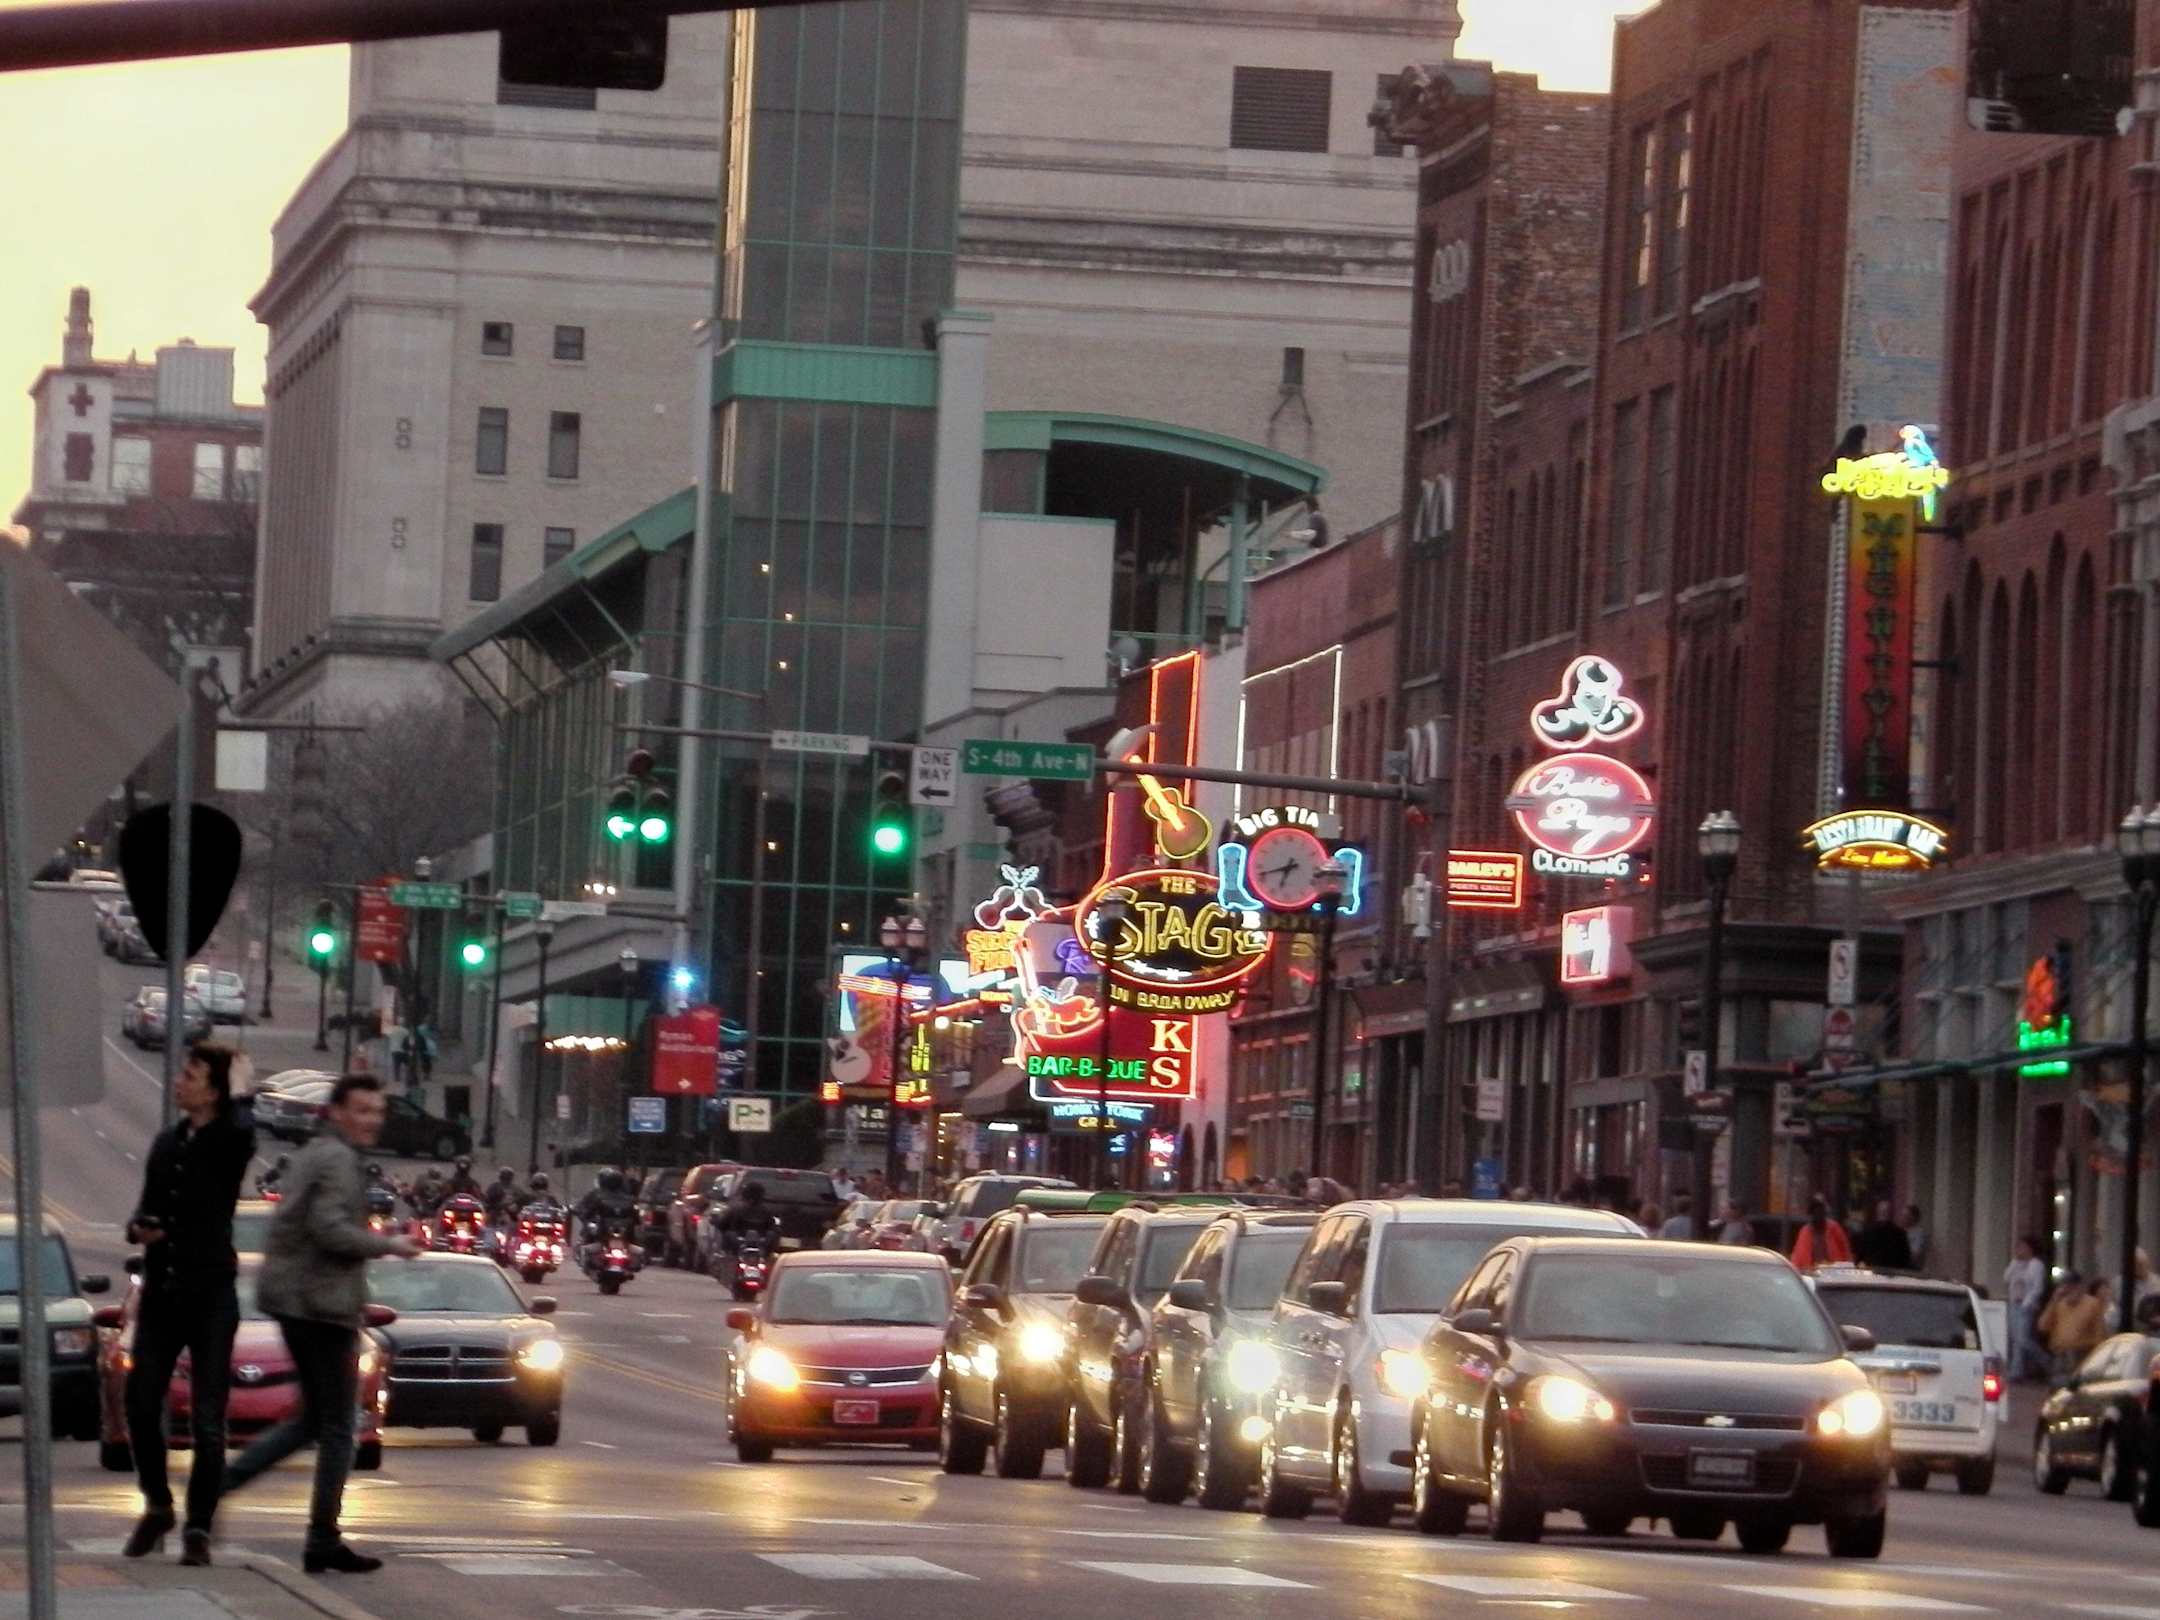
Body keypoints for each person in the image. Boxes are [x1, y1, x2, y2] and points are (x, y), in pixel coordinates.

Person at [218, 1075, 420, 1573]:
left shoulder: (316, 1153)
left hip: (299, 1301)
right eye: (362, 1110)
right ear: (336, 1112)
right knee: (338, 1427)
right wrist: (389, 1245)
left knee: (312, 1420)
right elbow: (329, 1230)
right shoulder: (336, 1159)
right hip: (321, 1306)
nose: (372, 1120)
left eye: (377, 1111)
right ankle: (322, 1538)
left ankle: (220, 1489)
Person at [122, 1041, 256, 1566]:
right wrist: (140, 1228)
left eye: (191, 1075)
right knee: (140, 1401)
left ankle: (199, 1525)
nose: (179, 1081)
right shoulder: (167, 1142)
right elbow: (146, 1207)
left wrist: (240, 1087)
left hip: (211, 1296)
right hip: (163, 1292)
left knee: (207, 1418)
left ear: (214, 1091)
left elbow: (243, 1130)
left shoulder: (230, 1139)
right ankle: (158, 1504)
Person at [2040, 1275, 2109, 1378]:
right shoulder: (2059, 1304)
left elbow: (2099, 1332)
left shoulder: (2092, 1304)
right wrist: (2053, 1301)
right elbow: (2043, 1326)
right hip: (2061, 1354)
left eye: (2074, 1287)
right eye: (2068, 1288)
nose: (2071, 1291)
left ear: (2081, 1288)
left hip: (2081, 1353)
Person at [2003, 1236, 2048, 1381]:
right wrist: (2015, 1263)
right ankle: (2017, 1371)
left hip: (2026, 1305)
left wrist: (2027, 1303)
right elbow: (2006, 1278)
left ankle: (2045, 1360)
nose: (2019, 1250)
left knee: (2023, 1338)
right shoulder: (2016, 1263)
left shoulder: (2036, 1265)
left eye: (2022, 1247)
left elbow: (2037, 1287)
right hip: (2014, 1303)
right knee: (2015, 1339)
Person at [1790, 1195, 1854, 1271]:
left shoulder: (1834, 1228)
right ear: (1811, 1213)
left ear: (1825, 1212)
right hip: (1812, 1272)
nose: (1818, 1213)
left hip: (1834, 1272)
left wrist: (1849, 1268)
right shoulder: (1805, 1232)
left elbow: (1846, 1251)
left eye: (1821, 1210)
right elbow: (1797, 1256)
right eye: (1815, 1210)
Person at [1853, 1199, 1914, 1270]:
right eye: (1883, 1211)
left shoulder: (1900, 1234)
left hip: (1881, 1272)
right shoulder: (1900, 1234)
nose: (1884, 1214)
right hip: (1880, 1272)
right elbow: (1905, 1260)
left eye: (1885, 1211)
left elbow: (1905, 1259)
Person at [1901, 1203, 1929, 1271]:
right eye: (1902, 1215)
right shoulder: (1901, 1232)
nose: (1902, 1218)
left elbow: (1915, 1255)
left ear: (1913, 1218)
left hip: (1912, 1270)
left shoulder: (1919, 1234)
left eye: (1905, 1216)